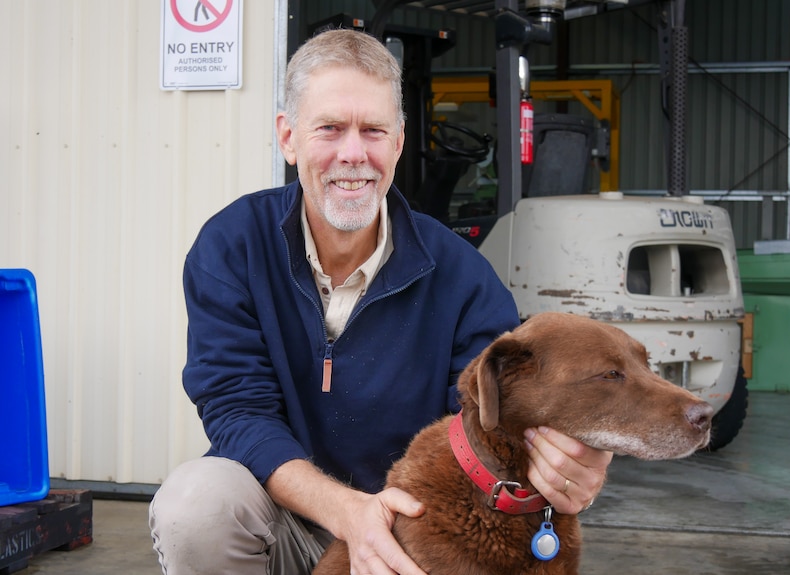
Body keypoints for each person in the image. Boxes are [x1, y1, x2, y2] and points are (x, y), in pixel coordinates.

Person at [149, 28, 612, 575]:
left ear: (398, 141)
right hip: (283, 517)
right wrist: (348, 513)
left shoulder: (464, 277)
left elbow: (499, 416)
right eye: (330, 128)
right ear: (288, 137)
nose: (353, 154)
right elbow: (237, 411)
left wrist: (570, 458)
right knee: (195, 504)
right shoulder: (232, 246)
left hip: (407, 530)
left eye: (373, 130)